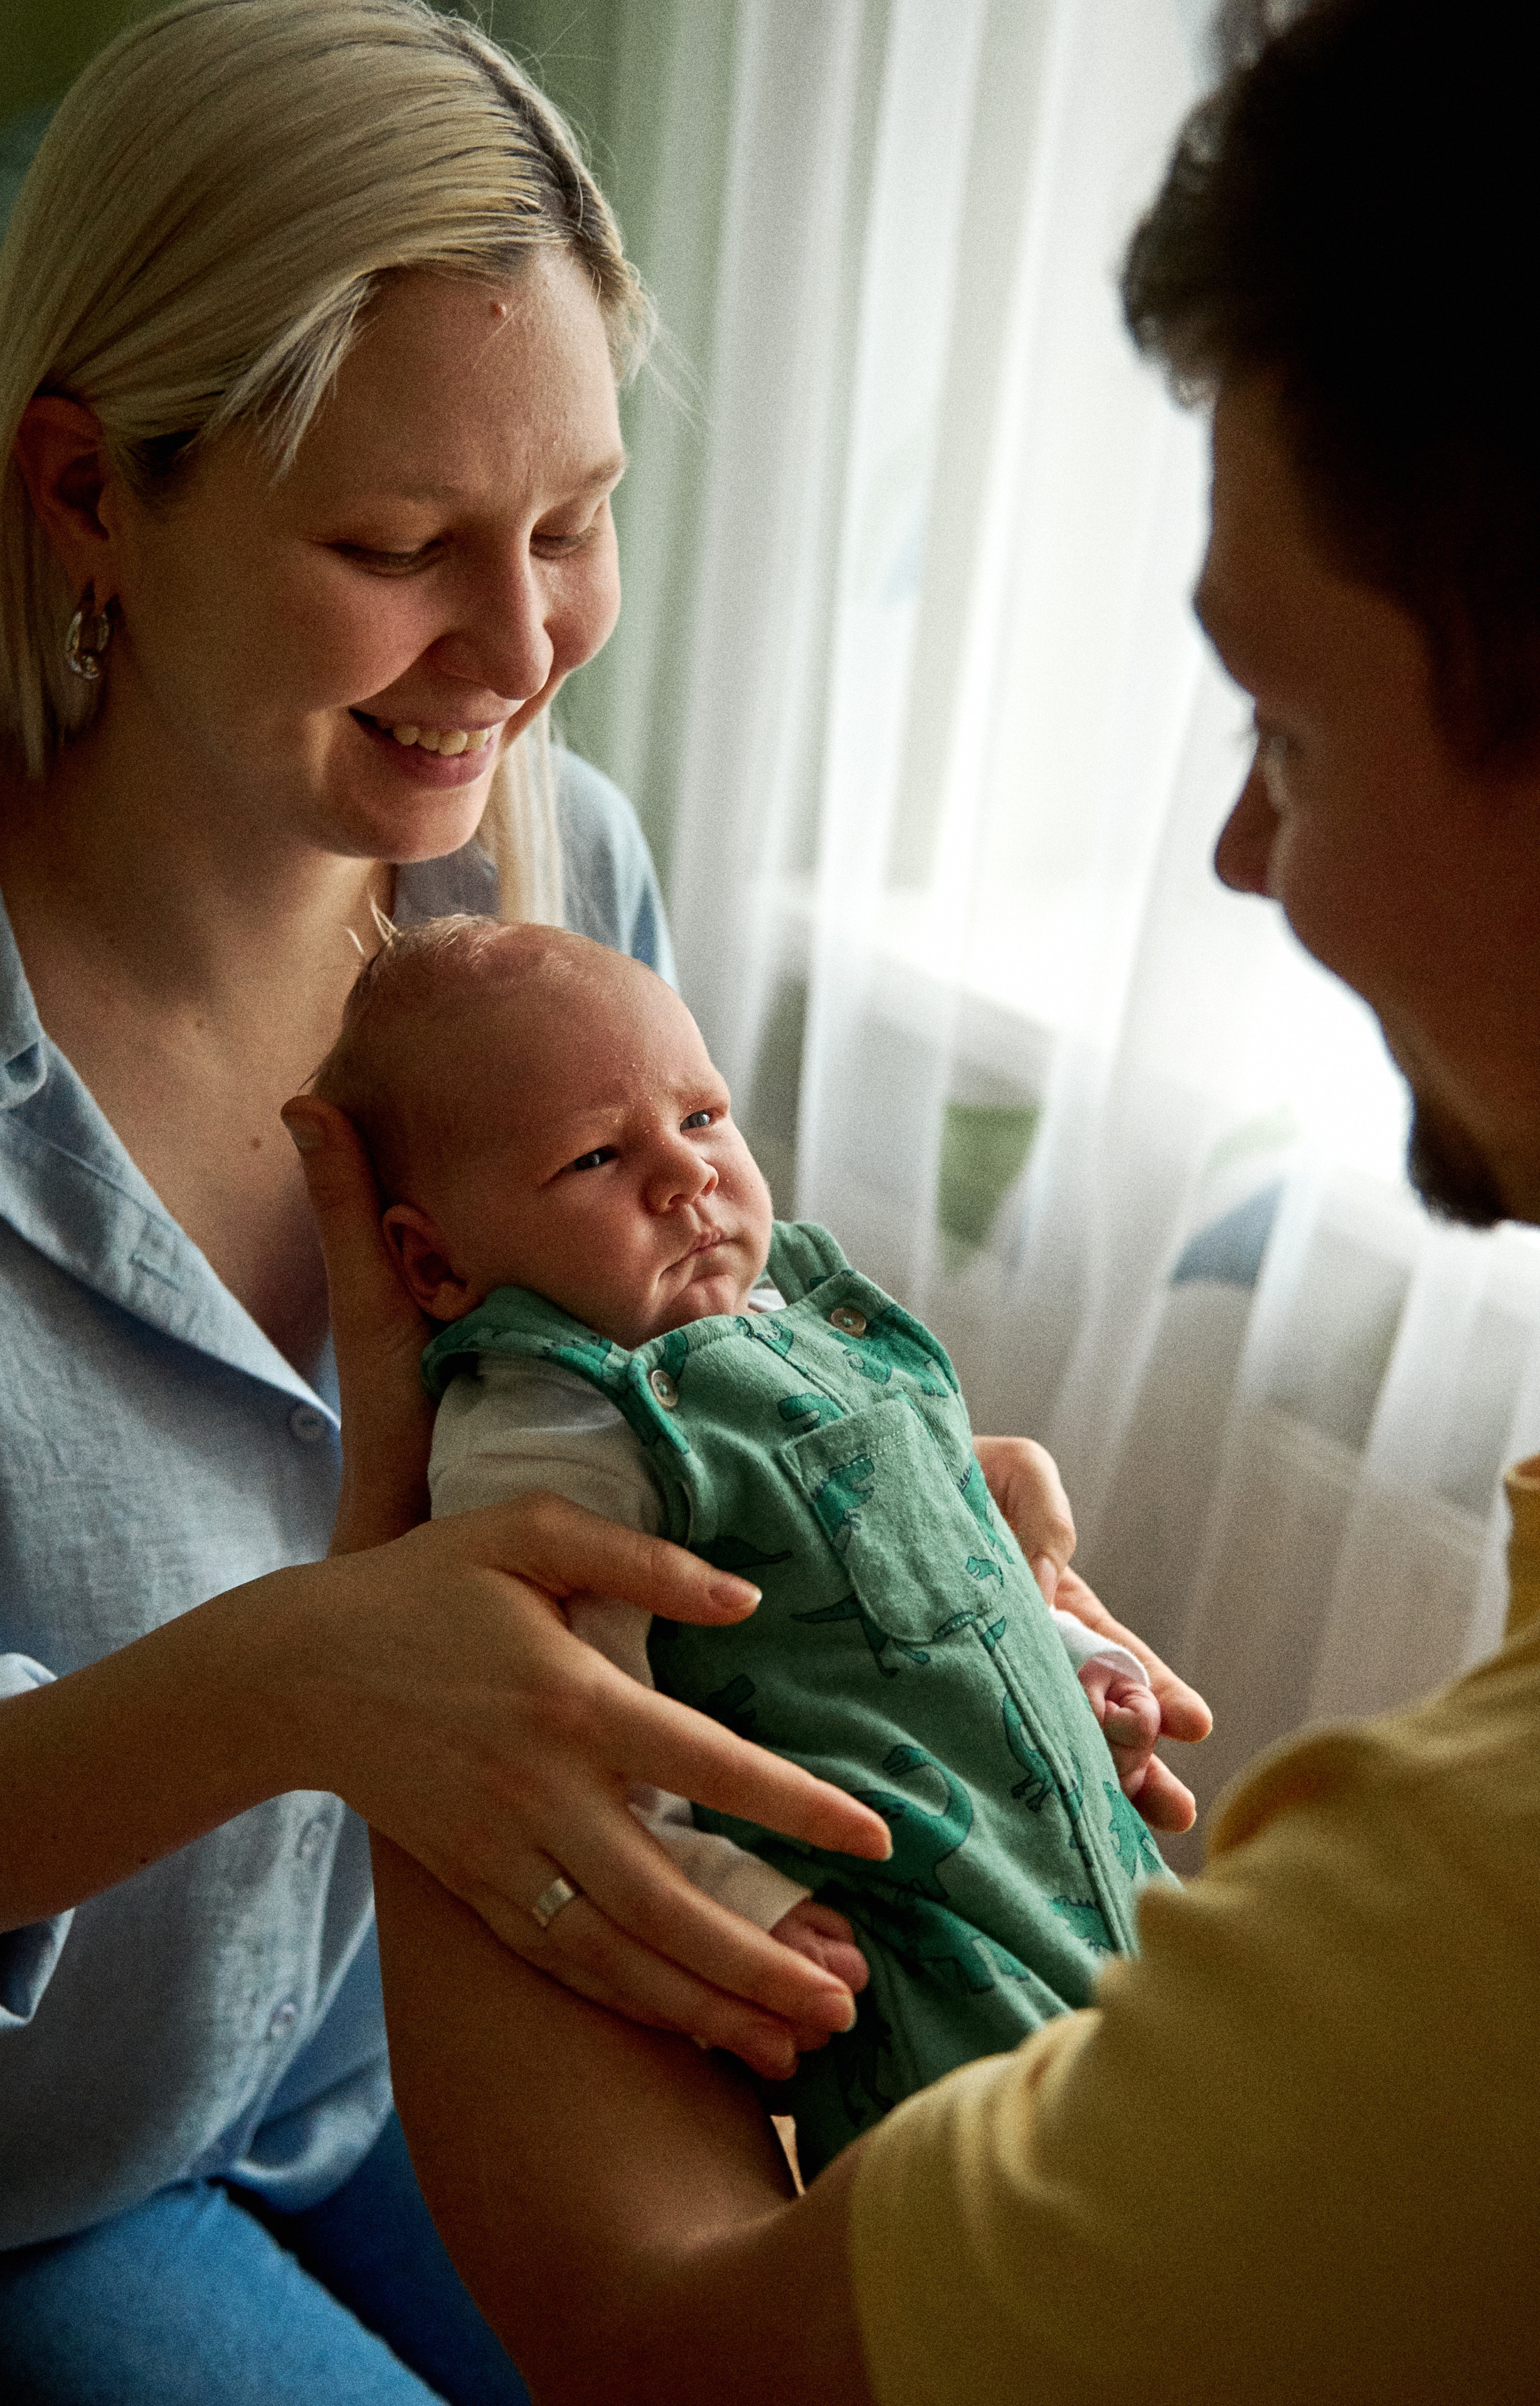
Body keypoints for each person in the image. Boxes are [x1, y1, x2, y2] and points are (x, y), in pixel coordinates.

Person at [341, 1, 1540, 2400]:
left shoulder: (1504, 1913)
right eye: (395, 539)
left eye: (1288, 731)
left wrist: (400, 1634)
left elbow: (679, 2338)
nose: (1241, 856)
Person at [0, 4, 1204, 2395]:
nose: (531, 649)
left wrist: (908, 1538)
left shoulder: (549, 898)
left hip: (417, 2036)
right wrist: (304, 1678)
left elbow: (664, 1386)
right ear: (83, 491)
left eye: (573, 521)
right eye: (399, 548)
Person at [309, 914, 1176, 2171]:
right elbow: (559, 1737)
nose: (685, 1176)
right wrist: (733, 1899)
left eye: (704, 1118)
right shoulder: (555, 1433)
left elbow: (936, 1556)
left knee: (1211, 2097)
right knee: (1042, 2182)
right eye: (597, 1157)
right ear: (433, 1262)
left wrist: (1061, 1650)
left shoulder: (791, 1314)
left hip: (1059, 1825)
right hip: (906, 1921)